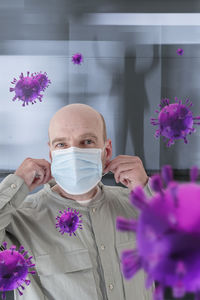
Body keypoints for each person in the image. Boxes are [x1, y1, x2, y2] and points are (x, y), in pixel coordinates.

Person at [0, 103, 154, 300]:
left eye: (87, 141)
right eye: (62, 145)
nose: (73, 153)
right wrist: (16, 184)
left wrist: (149, 190)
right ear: (51, 154)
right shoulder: (21, 218)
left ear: (106, 151)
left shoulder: (139, 207)